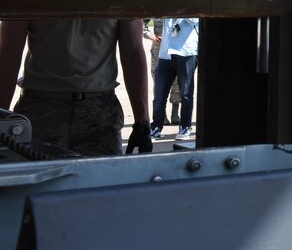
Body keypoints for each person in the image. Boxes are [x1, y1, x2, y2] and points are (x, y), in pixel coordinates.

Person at [0, 19, 152, 156]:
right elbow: (8, 54)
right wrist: (142, 118)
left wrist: (142, 120)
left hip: (91, 112)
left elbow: (8, 54)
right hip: (51, 110)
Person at [151, 17, 198, 141]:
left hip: (186, 52)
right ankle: (156, 127)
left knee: (186, 93)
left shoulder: (192, 1)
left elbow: (195, 20)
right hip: (165, 54)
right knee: (159, 95)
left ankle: (185, 126)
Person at [145, 19, 182, 125]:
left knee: (177, 82)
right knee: (159, 83)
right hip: (159, 48)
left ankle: (175, 112)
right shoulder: (158, 7)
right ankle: (162, 115)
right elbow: (141, 22)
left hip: (178, 46)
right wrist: (150, 35)